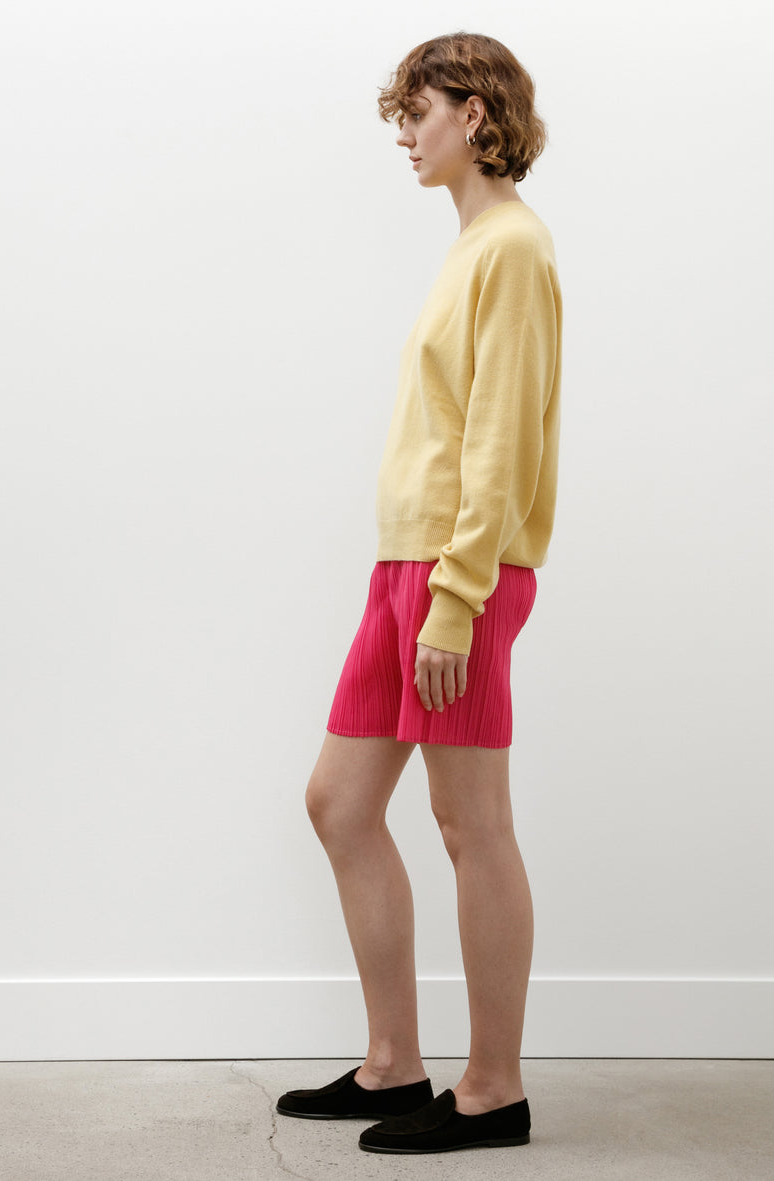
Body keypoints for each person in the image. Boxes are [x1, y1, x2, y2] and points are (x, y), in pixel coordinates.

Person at [275, 31, 562, 1155]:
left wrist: (456, 596)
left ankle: (495, 1090)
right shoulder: (471, 246)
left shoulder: (514, 249)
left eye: (419, 110)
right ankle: (393, 1063)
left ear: (474, 115)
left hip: (458, 578)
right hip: (406, 566)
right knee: (340, 803)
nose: (404, 133)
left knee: (469, 823)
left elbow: (501, 442)